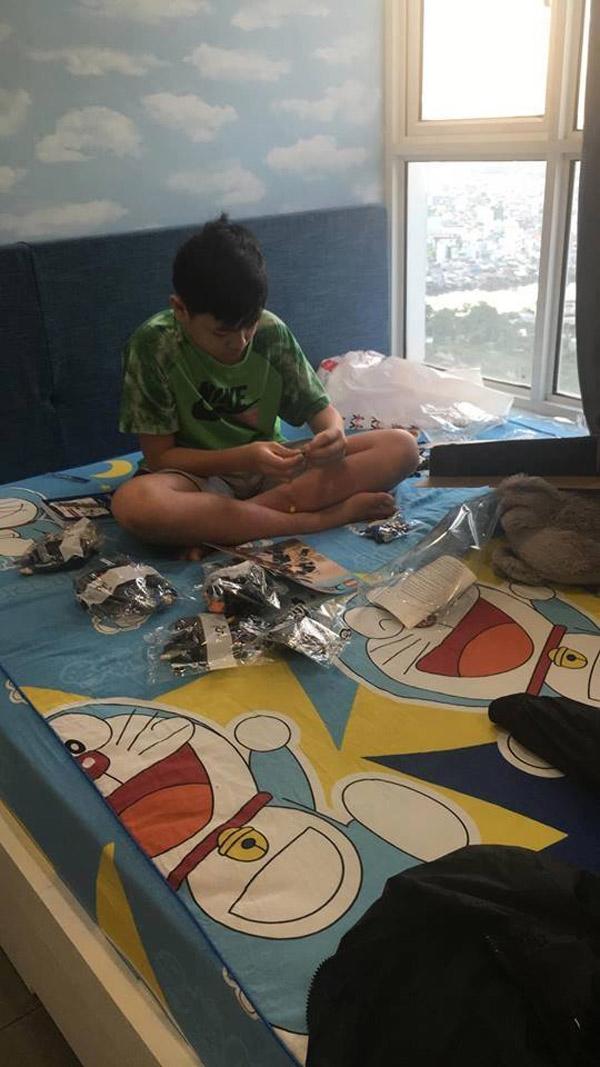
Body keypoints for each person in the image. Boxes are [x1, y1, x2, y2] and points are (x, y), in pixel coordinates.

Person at [112, 214, 419, 548]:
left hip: (274, 470)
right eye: (222, 333)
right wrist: (243, 457)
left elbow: (321, 411)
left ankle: (222, 525)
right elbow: (160, 458)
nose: (240, 342)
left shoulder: (272, 333)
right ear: (180, 309)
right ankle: (321, 519)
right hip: (198, 478)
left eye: (250, 325)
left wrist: (333, 436)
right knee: (134, 504)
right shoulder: (153, 345)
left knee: (401, 447)